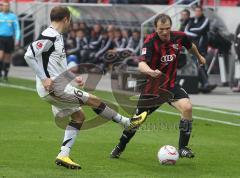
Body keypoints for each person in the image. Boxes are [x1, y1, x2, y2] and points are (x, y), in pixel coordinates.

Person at [24, 6, 147, 169]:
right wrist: (44, 78)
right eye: (70, 20)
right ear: (66, 19)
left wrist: (73, 77)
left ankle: (63, 155)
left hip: (57, 86)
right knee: (94, 100)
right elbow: (29, 55)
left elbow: (56, 67)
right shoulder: (49, 35)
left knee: (78, 117)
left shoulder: (58, 36)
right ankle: (127, 123)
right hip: (53, 88)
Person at [110, 13, 206, 159]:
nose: (165, 32)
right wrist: (150, 71)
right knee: (137, 121)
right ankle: (120, 146)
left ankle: (183, 148)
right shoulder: (150, 41)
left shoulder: (179, 37)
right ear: (155, 28)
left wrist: (199, 57)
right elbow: (141, 63)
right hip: (152, 88)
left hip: (171, 85)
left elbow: (190, 46)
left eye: (167, 28)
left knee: (187, 107)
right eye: (161, 29)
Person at [185, 5, 216, 93]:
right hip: (191, 47)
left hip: (201, 47)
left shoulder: (205, 20)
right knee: (198, 65)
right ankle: (205, 84)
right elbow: (186, 31)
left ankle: (205, 84)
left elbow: (201, 29)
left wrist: (191, 31)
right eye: (196, 11)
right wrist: (194, 34)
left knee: (200, 64)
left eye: (199, 11)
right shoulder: (191, 20)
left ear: (202, 12)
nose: (197, 12)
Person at [0, 1, 20, 81]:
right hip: (0, 38)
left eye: (7, 6)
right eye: (4, 6)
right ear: (2, 7)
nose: (6, 7)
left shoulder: (13, 17)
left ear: (9, 7)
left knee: (7, 58)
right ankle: (0, 73)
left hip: (9, 38)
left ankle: (5, 75)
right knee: (1, 56)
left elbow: (17, 28)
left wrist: (17, 38)